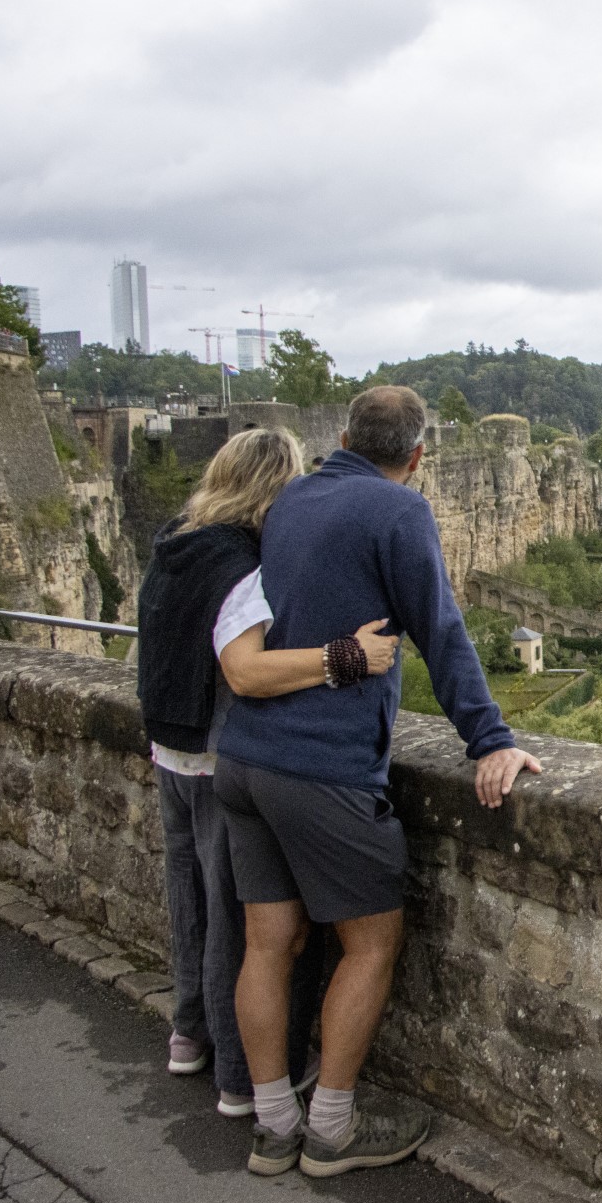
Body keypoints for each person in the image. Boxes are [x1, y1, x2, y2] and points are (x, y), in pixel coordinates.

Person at [217, 385, 541, 1179]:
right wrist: (489, 739)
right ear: (418, 455)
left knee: (269, 945)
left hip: (245, 758)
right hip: (322, 766)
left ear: (341, 437)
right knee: (371, 943)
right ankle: (330, 1131)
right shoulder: (400, 511)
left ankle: (271, 1126)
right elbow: (440, 629)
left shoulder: (291, 498)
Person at [135, 428, 399, 1118]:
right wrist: (346, 657)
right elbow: (246, 670)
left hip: (170, 748)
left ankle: (189, 1033)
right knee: (242, 926)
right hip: (223, 751)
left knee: (190, 901)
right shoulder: (239, 562)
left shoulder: (176, 540)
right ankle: (239, 1081)